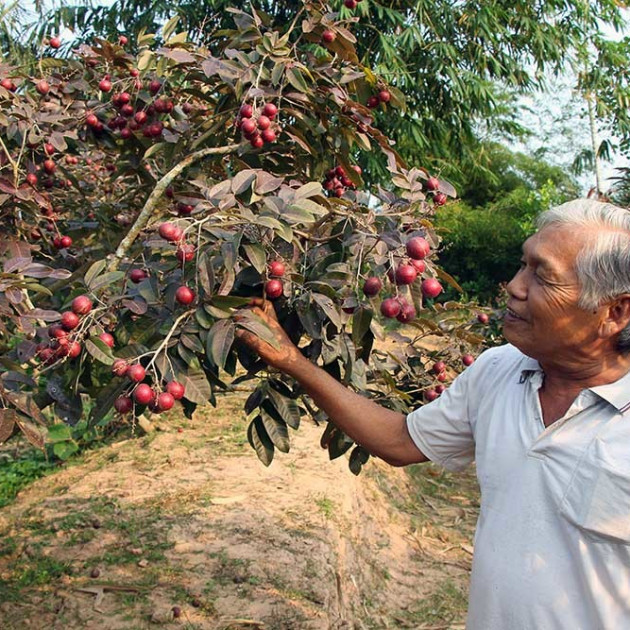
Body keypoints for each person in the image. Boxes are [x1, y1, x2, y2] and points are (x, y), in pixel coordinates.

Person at [235, 198, 630, 629]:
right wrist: (292, 361)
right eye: (522, 265)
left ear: (614, 313)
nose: (515, 286)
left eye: (543, 276)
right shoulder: (499, 371)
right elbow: (401, 441)